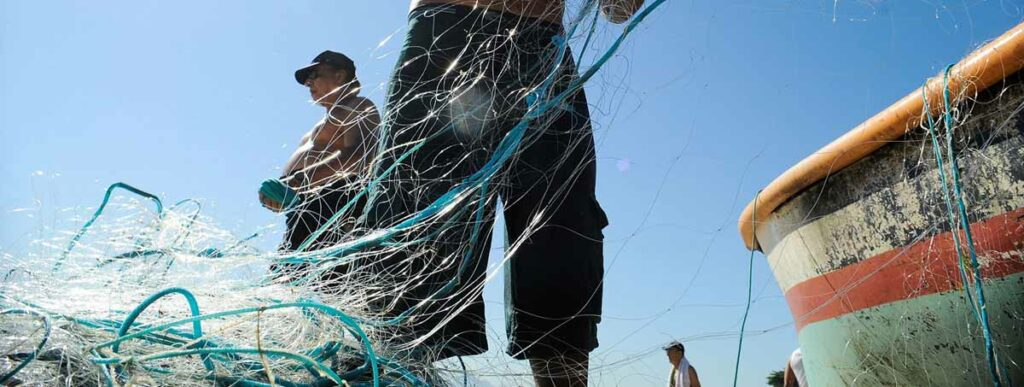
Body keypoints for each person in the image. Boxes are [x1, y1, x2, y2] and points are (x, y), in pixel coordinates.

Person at [363, 1, 645, 386]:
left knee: (561, 232)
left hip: (544, 49)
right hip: (447, 29)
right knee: (416, 231)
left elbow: (618, 10)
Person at [259, 50, 380, 258]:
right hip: (307, 210)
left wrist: (298, 180)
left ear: (339, 76)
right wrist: (278, 195)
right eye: (306, 80)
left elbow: (361, 155)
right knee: (293, 272)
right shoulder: (316, 128)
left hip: (338, 205)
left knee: (294, 274)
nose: (308, 83)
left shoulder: (357, 105)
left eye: (314, 75)